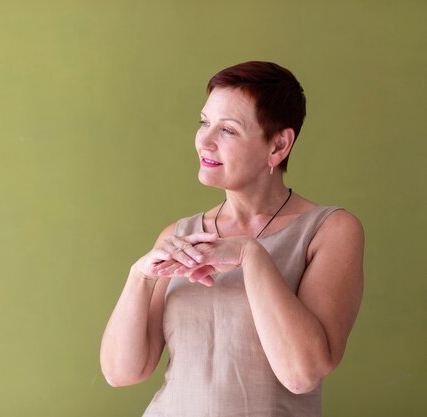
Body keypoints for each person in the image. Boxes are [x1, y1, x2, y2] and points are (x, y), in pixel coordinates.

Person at [100, 61, 364, 417]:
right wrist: (141, 276)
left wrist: (251, 256)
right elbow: (121, 373)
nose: (205, 141)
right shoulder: (179, 235)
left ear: (278, 146)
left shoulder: (330, 230)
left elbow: (302, 375)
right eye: (204, 123)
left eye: (228, 130)